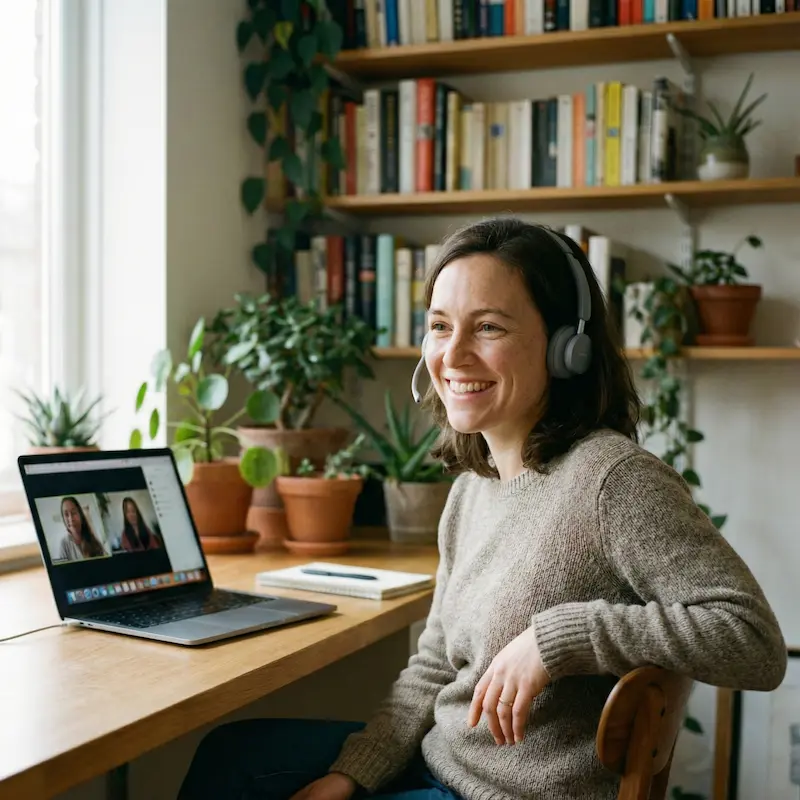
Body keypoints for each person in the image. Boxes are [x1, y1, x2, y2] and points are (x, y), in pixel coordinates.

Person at [177, 218, 787, 800]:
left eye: (489, 327)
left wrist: (559, 639)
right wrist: (355, 774)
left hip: (502, 791)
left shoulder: (613, 480)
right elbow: (437, 662)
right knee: (230, 756)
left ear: (564, 347)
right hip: (443, 764)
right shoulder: (475, 486)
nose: (454, 355)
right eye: (441, 326)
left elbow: (754, 641)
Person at [56, 496, 107, 562]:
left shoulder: (93, 538)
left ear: (80, 514)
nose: (70, 518)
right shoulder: (64, 544)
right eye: (66, 514)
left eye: (73, 512)